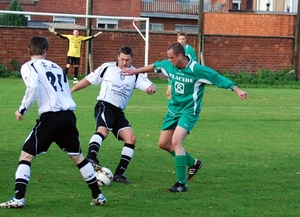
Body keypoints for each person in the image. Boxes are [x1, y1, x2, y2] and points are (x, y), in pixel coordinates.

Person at [120, 42, 247, 192]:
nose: (169, 60)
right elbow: (155, 66)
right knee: (163, 143)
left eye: (171, 57)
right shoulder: (169, 65)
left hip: (189, 112)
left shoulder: (196, 69)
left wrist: (237, 90)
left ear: (180, 56)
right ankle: (193, 162)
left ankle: (181, 183)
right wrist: (134, 72)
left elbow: (216, 77)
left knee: (176, 141)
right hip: (173, 110)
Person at [0, 36, 106, 208]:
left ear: (29, 49)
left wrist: (22, 109)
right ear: (45, 50)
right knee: (77, 157)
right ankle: (98, 195)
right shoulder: (57, 66)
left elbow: (33, 86)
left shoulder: (29, 66)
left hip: (51, 117)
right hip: (68, 116)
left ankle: (19, 198)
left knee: (25, 156)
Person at [71, 45, 156, 184]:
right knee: (103, 131)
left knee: (131, 138)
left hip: (118, 112)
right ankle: (91, 157)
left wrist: (152, 88)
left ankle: (119, 174)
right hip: (104, 105)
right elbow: (88, 80)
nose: (124, 63)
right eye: (122, 59)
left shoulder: (135, 73)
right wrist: (72, 90)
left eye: (127, 60)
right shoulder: (107, 68)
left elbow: (150, 85)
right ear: (118, 57)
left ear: (131, 59)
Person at [166, 32, 197, 100]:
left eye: (183, 39)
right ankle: (171, 108)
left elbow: (194, 62)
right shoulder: (174, 49)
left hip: (184, 75)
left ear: (186, 40)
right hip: (174, 73)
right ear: (177, 39)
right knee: (169, 92)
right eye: (180, 39)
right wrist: (169, 74)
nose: (181, 40)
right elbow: (170, 61)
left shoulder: (190, 49)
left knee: (181, 94)